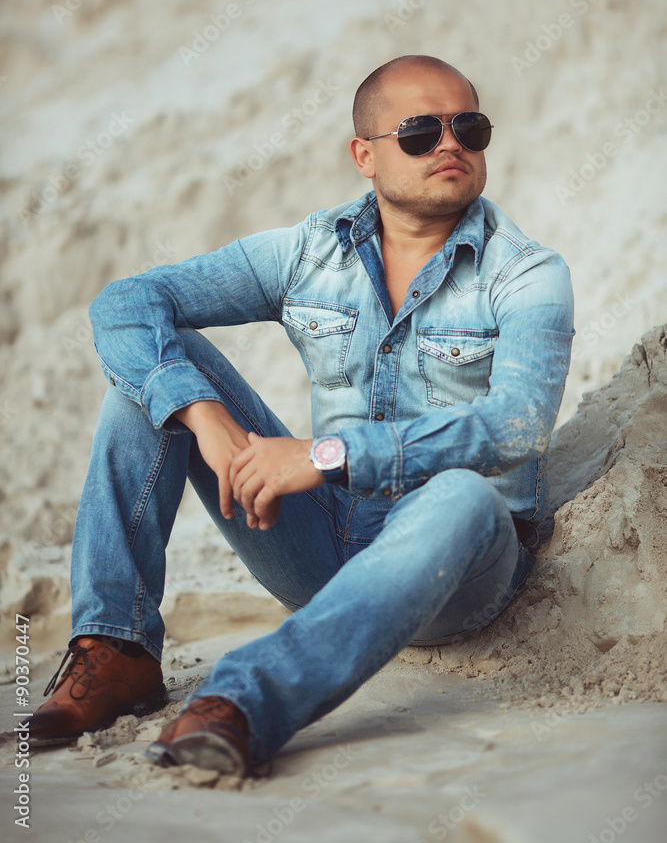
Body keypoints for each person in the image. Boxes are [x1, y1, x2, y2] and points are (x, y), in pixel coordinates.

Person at [28, 55, 575, 779]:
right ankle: (118, 648)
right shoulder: (310, 253)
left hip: (453, 570)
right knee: (158, 370)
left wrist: (323, 456)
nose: (449, 145)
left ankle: (245, 703)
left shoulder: (526, 273)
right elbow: (124, 303)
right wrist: (207, 421)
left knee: (465, 491)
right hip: (320, 543)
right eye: (418, 131)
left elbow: (514, 430)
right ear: (364, 156)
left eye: (467, 128)